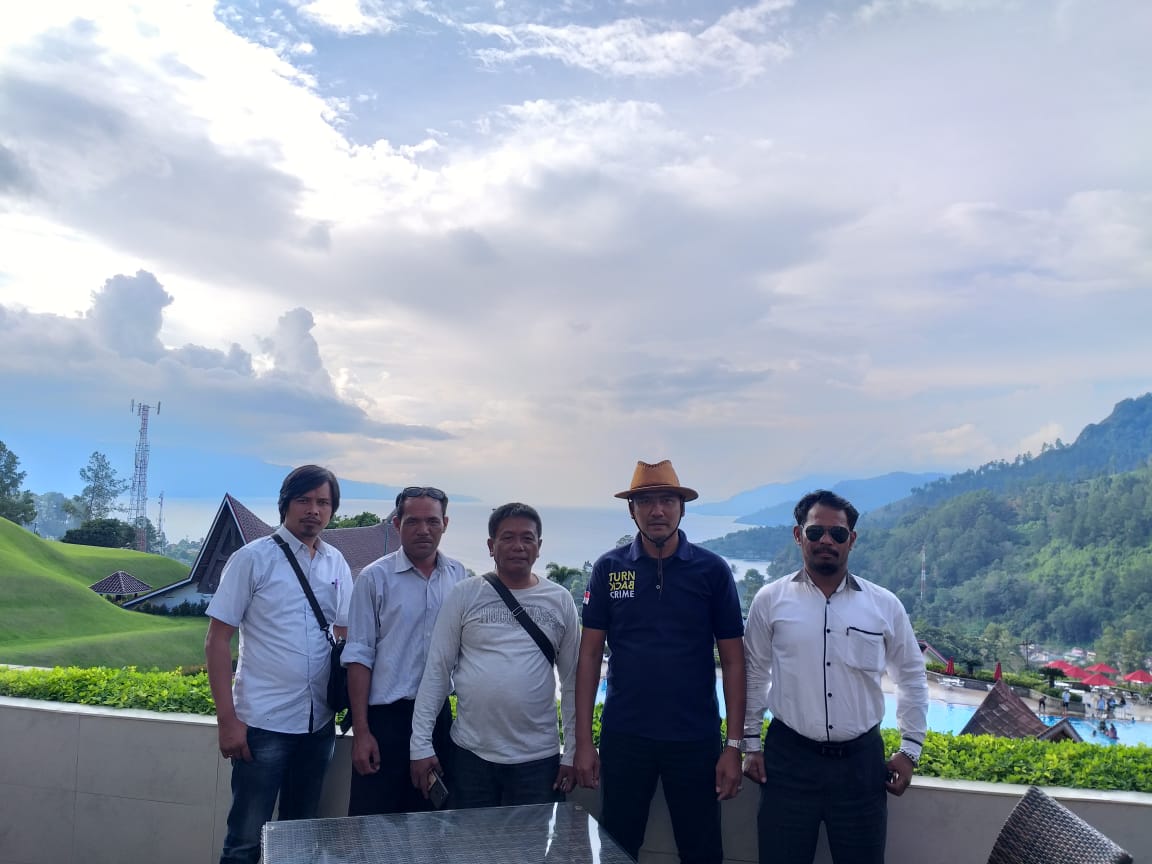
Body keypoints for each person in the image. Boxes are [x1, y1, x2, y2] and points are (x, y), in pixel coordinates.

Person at [742, 489, 929, 864]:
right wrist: (750, 743)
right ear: (799, 535)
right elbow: (754, 673)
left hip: (860, 767)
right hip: (789, 762)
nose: (826, 540)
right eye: (815, 532)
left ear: (851, 540)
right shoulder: (770, 600)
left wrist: (910, 749)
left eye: (838, 533)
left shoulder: (884, 605)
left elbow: (910, 676)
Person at [575, 460, 745, 864]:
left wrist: (733, 747)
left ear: (681, 508)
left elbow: (735, 662)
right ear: (631, 510)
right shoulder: (610, 569)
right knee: (617, 847)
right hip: (625, 736)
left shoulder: (711, 570)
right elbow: (589, 656)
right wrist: (583, 743)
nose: (657, 511)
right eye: (646, 501)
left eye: (667, 500)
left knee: (702, 850)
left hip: (695, 738)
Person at [205, 465, 352, 864]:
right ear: (285, 504)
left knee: (299, 838)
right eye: (304, 500)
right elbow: (217, 640)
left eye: (323, 502)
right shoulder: (252, 558)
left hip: (318, 725)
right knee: (244, 841)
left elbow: (343, 634)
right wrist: (227, 721)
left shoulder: (336, 562)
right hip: (262, 724)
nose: (313, 510)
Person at [409, 502, 579, 807]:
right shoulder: (465, 594)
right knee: (469, 837)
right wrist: (419, 745)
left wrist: (572, 752)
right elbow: (437, 670)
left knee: (532, 838)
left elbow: (572, 683)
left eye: (527, 538)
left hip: (538, 761)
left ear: (539, 547)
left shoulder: (560, 600)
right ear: (491, 546)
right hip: (471, 756)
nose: (518, 546)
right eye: (508, 537)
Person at [342, 486, 468, 815]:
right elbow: (358, 657)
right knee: (373, 822)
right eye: (413, 521)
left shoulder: (457, 575)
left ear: (445, 524)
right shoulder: (374, 578)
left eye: (432, 521)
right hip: (386, 720)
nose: (423, 530)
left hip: (437, 718)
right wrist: (362, 732)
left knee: (430, 821)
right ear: (397, 524)